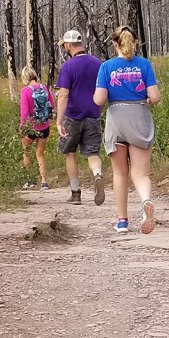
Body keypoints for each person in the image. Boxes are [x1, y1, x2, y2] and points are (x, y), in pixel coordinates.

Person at [94, 26, 161, 235]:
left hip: (116, 120)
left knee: (119, 173)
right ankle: (146, 203)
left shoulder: (106, 67)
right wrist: (147, 98)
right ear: (134, 41)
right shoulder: (144, 65)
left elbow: (99, 99)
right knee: (140, 174)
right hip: (139, 117)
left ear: (115, 43)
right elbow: (156, 97)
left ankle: (122, 222)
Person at [55, 29, 105, 206]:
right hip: (93, 114)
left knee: (70, 152)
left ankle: (75, 193)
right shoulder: (97, 64)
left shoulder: (68, 67)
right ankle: (97, 174)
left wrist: (59, 121)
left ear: (68, 45)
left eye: (65, 46)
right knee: (92, 152)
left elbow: (63, 95)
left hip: (73, 116)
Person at [19, 67, 55, 190]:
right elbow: (52, 105)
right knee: (40, 154)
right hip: (44, 126)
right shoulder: (44, 87)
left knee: (26, 151)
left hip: (31, 127)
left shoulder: (25, 91)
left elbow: (24, 112)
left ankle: (30, 181)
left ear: (25, 78)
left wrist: (22, 127)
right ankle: (44, 182)